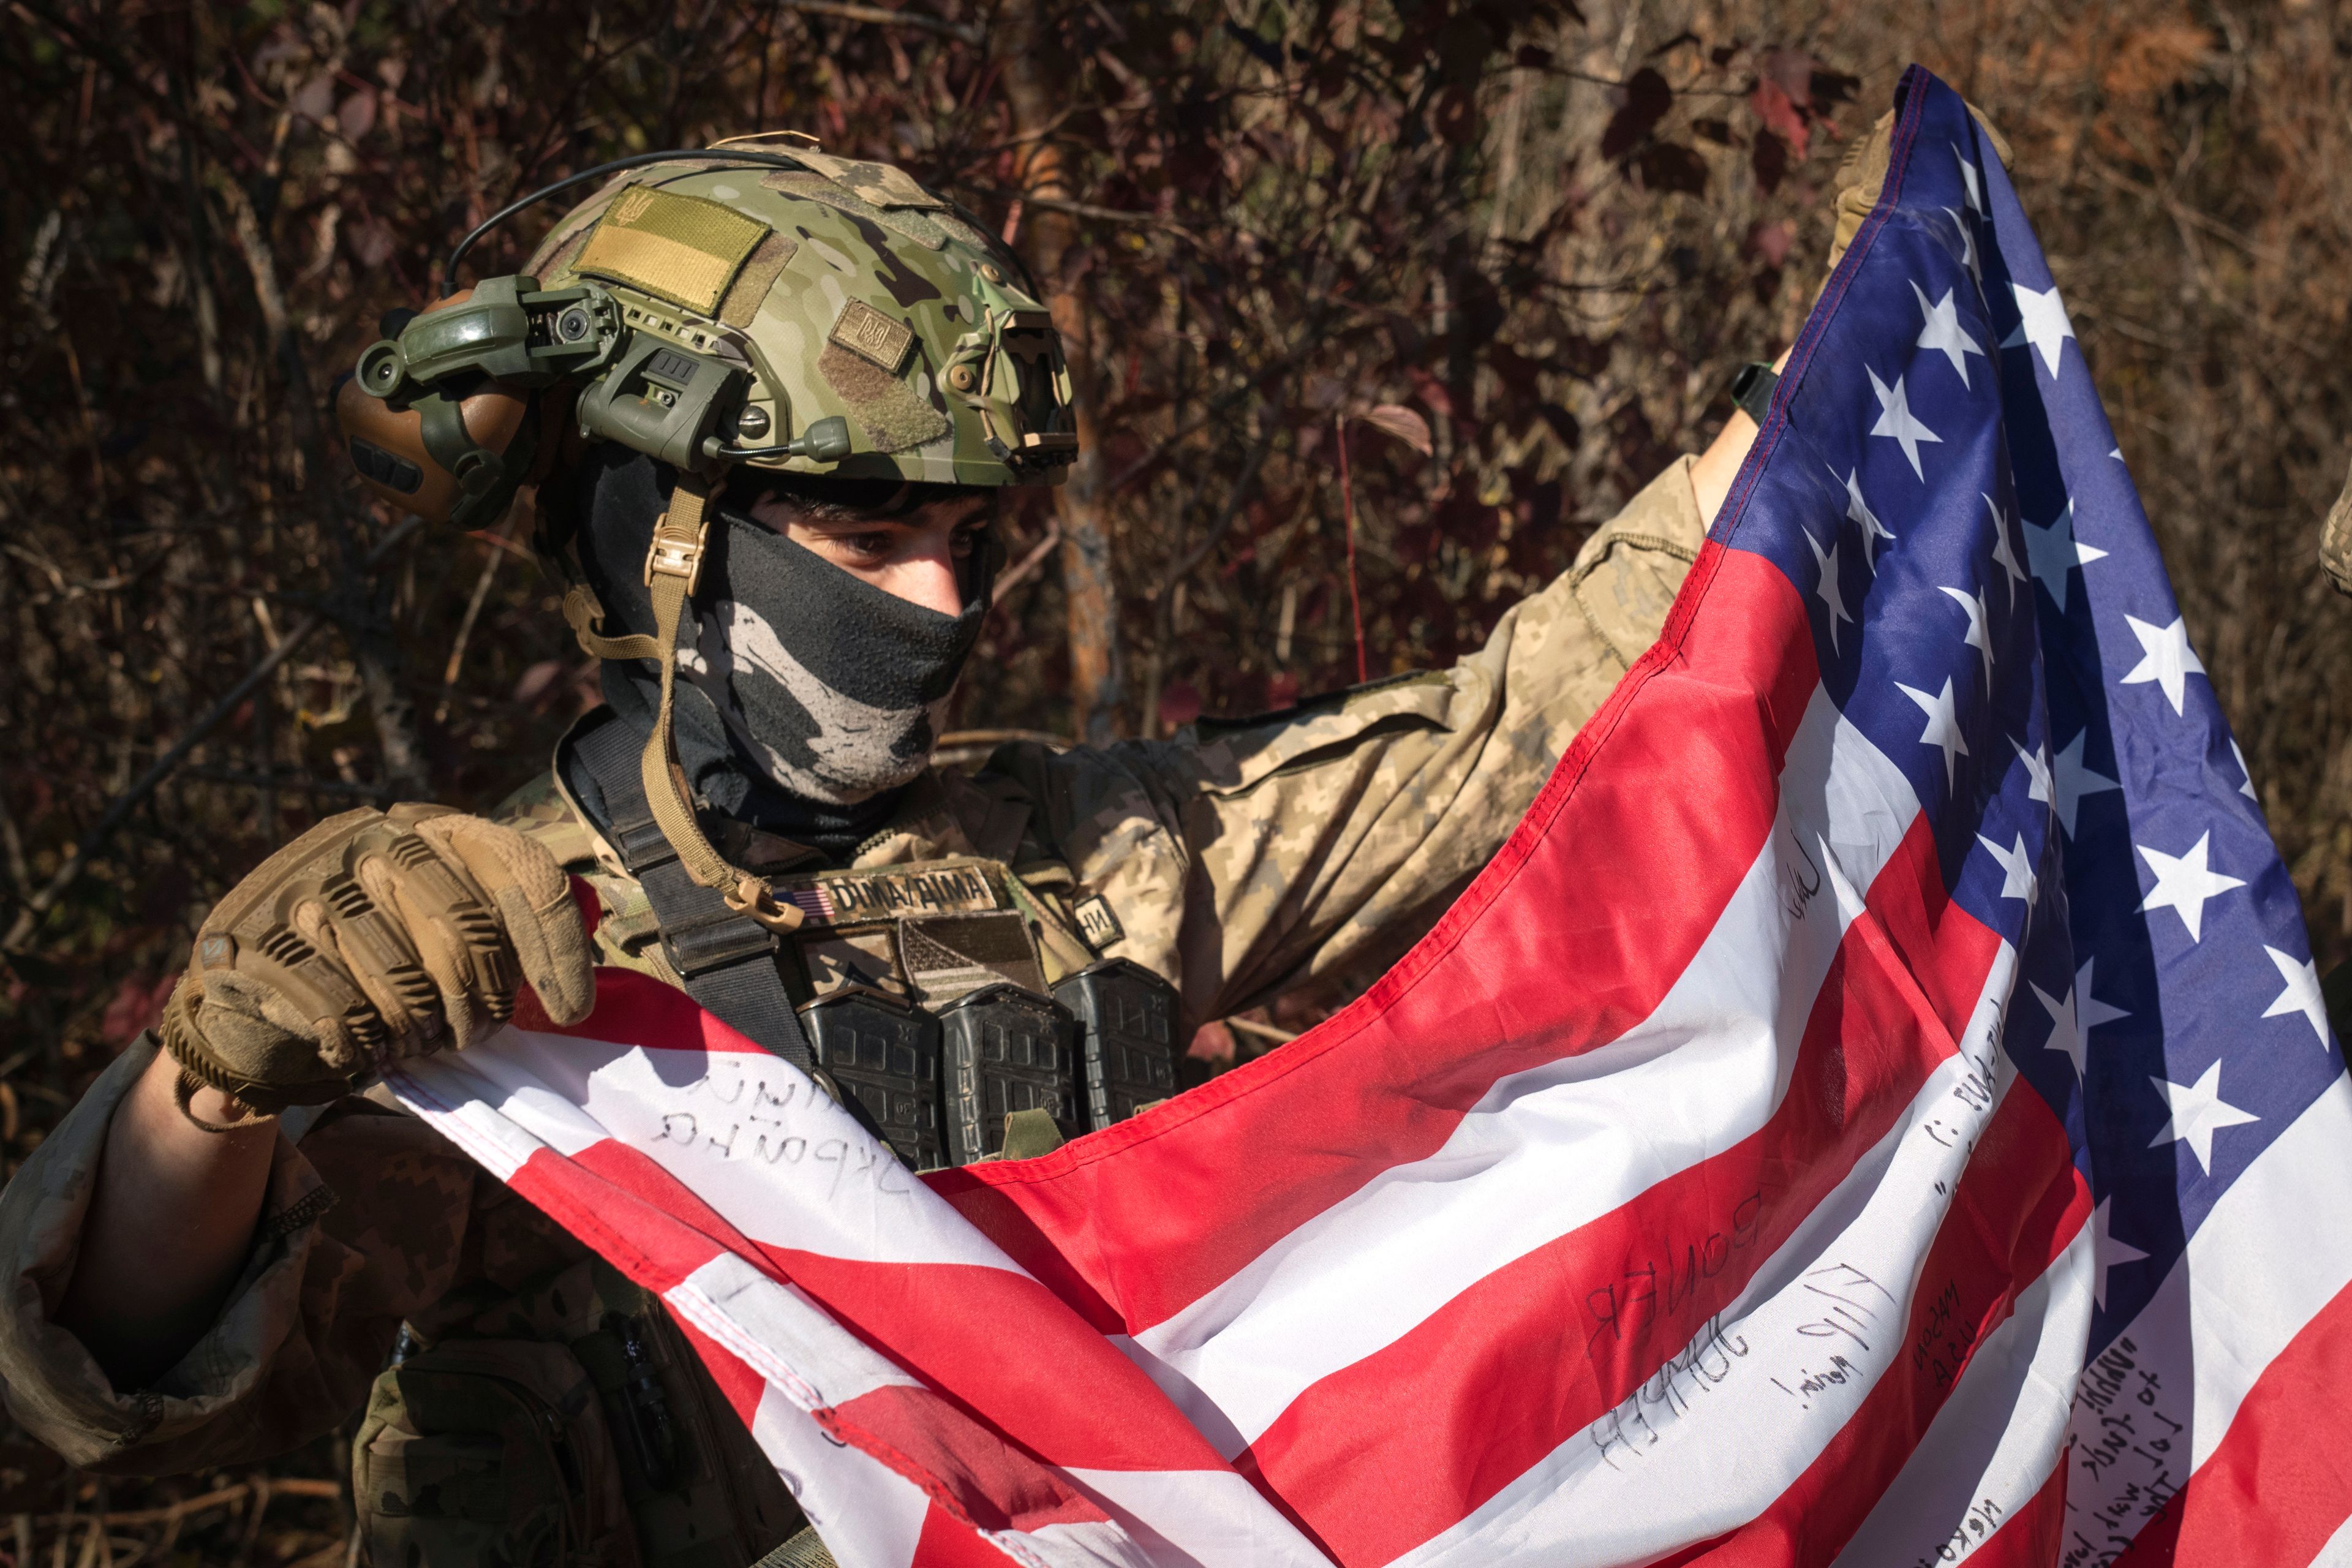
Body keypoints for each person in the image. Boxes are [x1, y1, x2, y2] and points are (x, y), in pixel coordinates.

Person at [0, 131, 1802, 1567]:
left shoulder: (1098, 858)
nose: (943, 605)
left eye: (966, 537)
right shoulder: (493, 948)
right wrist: (212, 1091)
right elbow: (120, 1376)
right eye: (867, 538)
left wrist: (1804, 416)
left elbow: (1515, 727)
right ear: (659, 537)